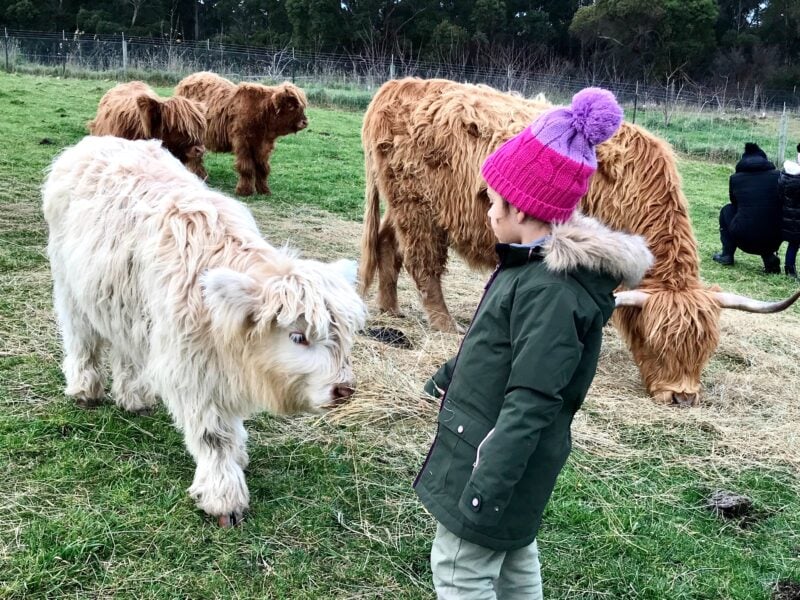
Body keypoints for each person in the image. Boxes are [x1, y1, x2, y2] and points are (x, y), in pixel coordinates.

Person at [413, 88, 653, 599]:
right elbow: (496, 345)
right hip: (497, 451)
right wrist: (447, 379)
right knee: (515, 557)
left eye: (493, 200)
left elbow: (533, 398)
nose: (487, 211)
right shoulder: (529, 269)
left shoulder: (550, 292)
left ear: (522, 209)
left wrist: (486, 490)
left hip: (492, 461)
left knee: (461, 569)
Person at [712, 142, 782, 273]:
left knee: (727, 210)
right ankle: (768, 257)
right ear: (765, 160)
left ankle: (727, 254)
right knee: (768, 211)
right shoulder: (778, 176)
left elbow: (734, 203)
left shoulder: (735, 179)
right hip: (774, 238)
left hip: (745, 238)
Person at [778, 143, 800, 278]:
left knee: (794, 244)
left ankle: (789, 268)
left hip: (789, 217)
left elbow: (780, 195)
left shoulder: (787, 175)